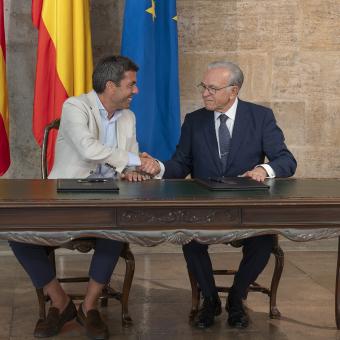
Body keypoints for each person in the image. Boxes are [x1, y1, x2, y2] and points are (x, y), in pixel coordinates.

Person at [9, 55, 159, 339]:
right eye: (132, 85)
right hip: (65, 194)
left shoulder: (128, 116)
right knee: (17, 233)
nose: (136, 91)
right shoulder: (75, 106)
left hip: (110, 196)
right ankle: (61, 302)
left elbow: (127, 159)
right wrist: (132, 160)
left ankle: (89, 307)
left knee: (116, 228)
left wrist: (134, 168)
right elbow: (89, 149)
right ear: (111, 86)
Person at [155, 61, 297, 329]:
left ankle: (236, 296)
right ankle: (210, 300)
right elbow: (180, 164)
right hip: (204, 207)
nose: (205, 93)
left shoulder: (260, 117)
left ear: (233, 90)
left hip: (247, 207)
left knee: (264, 242)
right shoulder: (194, 121)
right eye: (203, 87)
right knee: (189, 239)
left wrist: (263, 168)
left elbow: (286, 160)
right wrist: (158, 167)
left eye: (212, 88)